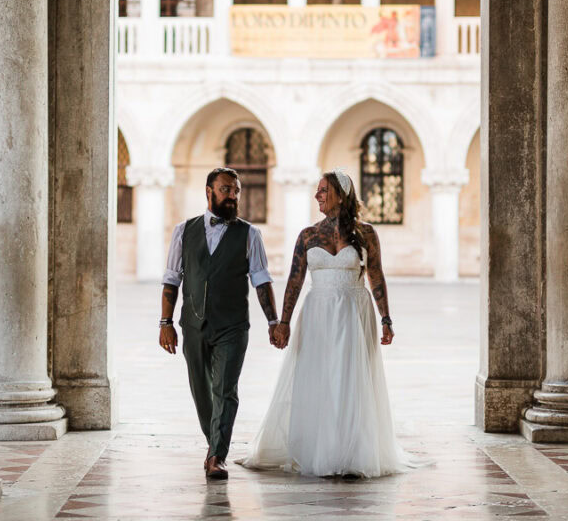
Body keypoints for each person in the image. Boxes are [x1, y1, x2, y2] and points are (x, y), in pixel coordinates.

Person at [239, 170, 412, 478]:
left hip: (354, 312)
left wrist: (386, 318)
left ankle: (351, 453)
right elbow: (294, 281)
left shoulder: (367, 234)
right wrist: (283, 323)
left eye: (323, 190)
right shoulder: (308, 235)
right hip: (317, 312)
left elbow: (376, 276)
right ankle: (318, 449)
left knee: (351, 380)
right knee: (319, 377)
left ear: (341, 195)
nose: (317, 195)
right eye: (317, 190)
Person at [160, 167, 280, 480]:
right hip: (194, 325)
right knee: (201, 390)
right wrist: (165, 322)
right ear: (209, 191)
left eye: (236, 191)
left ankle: (216, 455)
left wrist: (273, 321)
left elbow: (262, 281)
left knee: (225, 389)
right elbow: (172, 280)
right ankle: (214, 441)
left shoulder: (249, 234)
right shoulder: (183, 231)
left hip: (233, 325)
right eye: (226, 189)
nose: (233, 196)